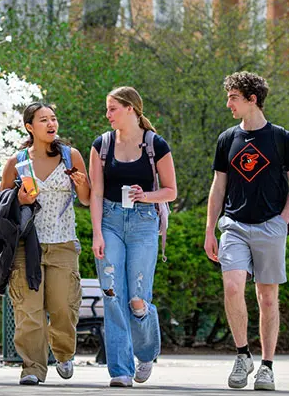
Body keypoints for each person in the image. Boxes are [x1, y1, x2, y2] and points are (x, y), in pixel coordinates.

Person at [204, 72, 289, 391]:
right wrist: (210, 229)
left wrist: (282, 220)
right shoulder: (227, 139)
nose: (228, 103)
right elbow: (218, 186)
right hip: (234, 225)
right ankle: (242, 355)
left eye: (233, 97)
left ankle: (267, 366)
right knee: (233, 287)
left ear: (252, 99)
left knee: (267, 297)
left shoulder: (280, 137)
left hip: (270, 227)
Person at [88, 86, 177, 387]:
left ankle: (147, 353)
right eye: (107, 109)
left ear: (130, 109)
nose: (107, 114)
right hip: (110, 221)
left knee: (138, 299)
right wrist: (97, 233)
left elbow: (171, 191)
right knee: (113, 294)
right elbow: (96, 192)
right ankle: (120, 371)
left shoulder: (156, 145)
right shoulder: (101, 145)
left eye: (112, 108)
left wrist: (146, 195)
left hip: (143, 223)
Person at [0, 102, 91, 385]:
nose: (51, 124)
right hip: (27, 246)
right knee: (29, 311)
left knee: (64, 306)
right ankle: (32, 367)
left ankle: (63, 353)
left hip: (63, 243)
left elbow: (86, 199)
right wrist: (21, 199)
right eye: (43, 120)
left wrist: (81, 183)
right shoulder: (17, 162)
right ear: (29, 127)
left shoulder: (70, 156)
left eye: (53, 118)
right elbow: (3, 204)